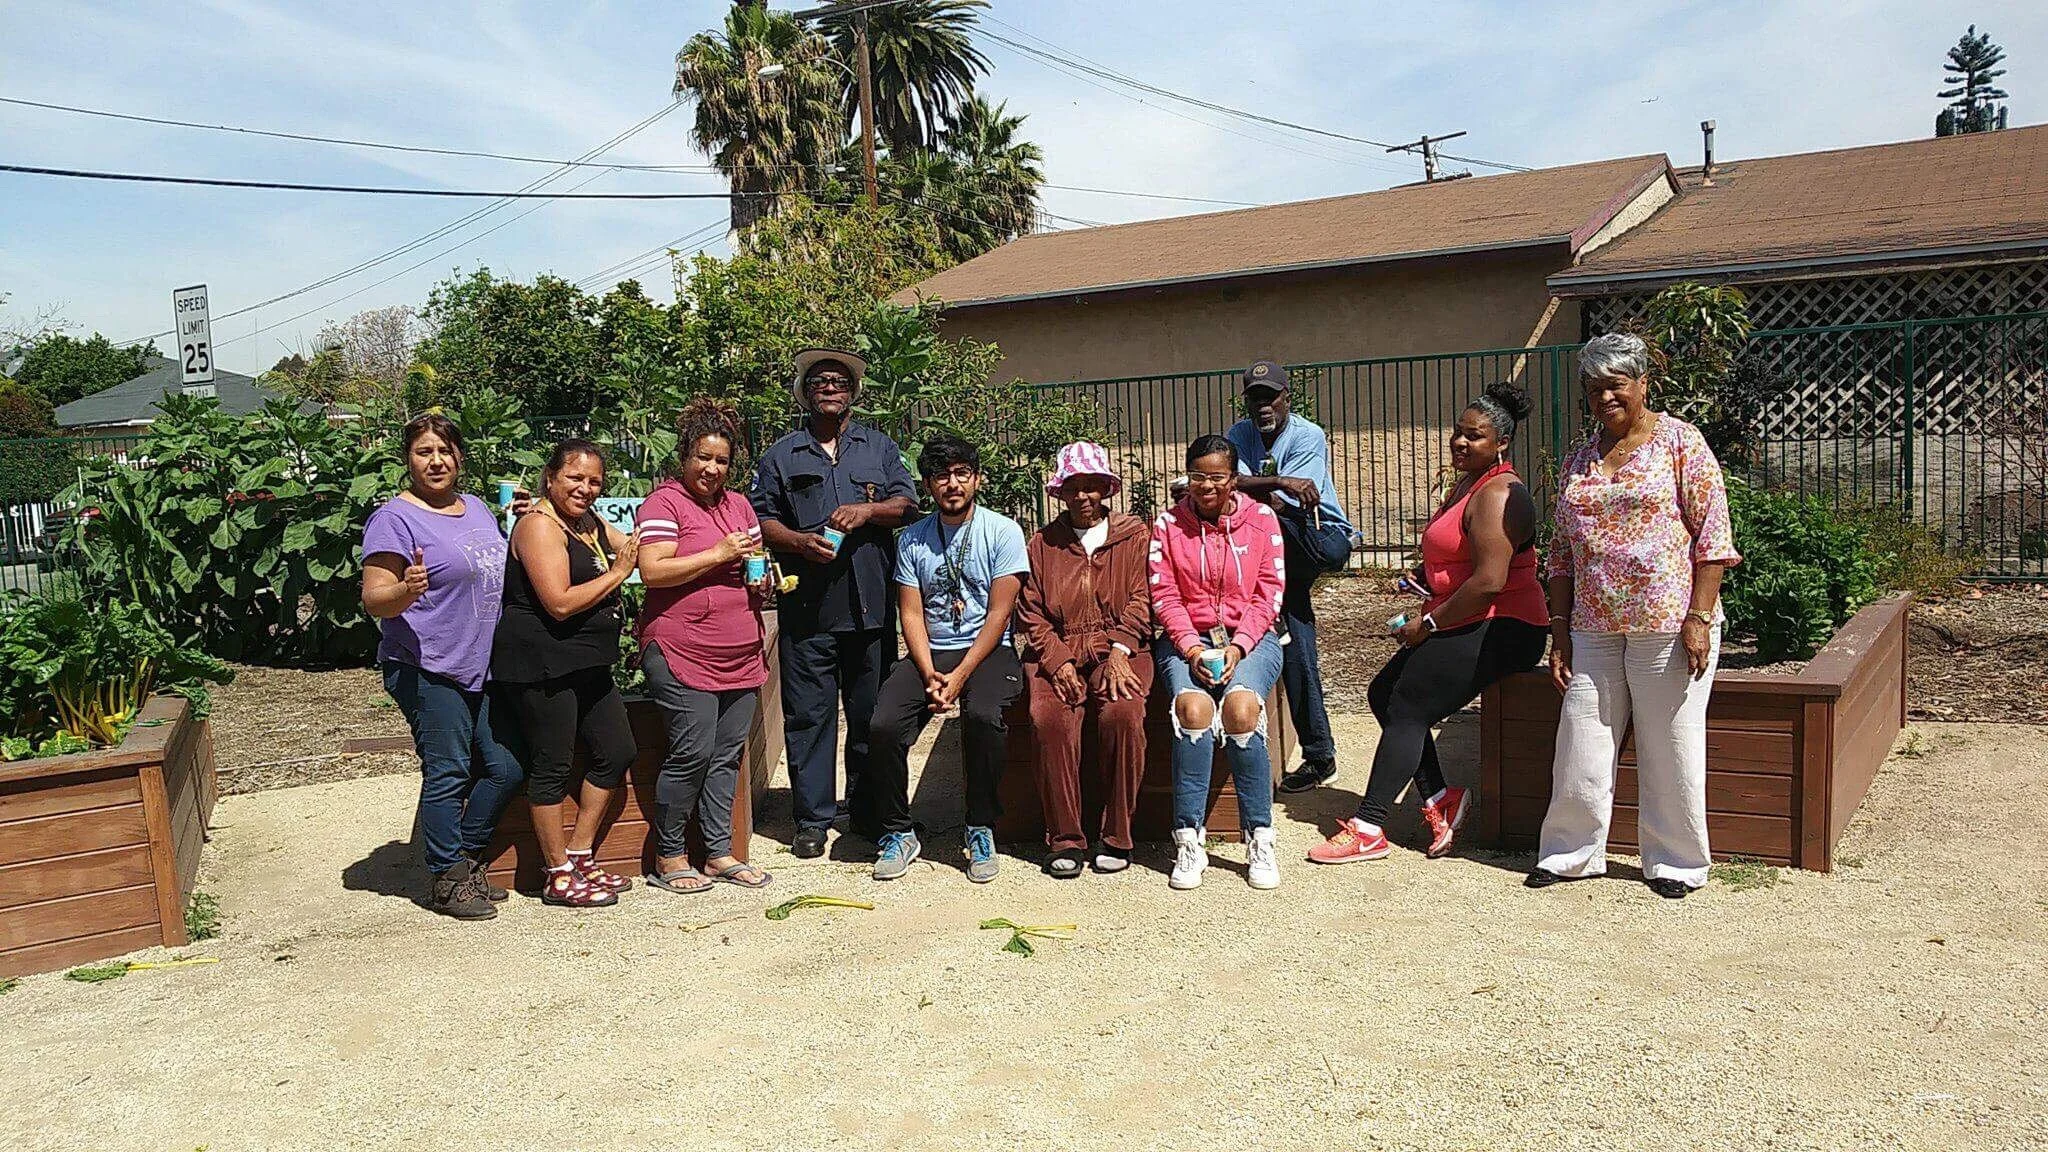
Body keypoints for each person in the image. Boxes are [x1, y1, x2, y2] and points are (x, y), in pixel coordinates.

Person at [1531, 333, 1742, 900]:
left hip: (1669, 623)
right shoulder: (1581, 455)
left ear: (1643, 384)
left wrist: (1699, 616)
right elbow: (1560, 553)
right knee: (1581, 738)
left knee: (1669, 739)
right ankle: (1569, 853)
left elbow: (1714, 537)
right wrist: (1558, 632)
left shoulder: (1681, 443)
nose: (1605, 398)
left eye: (1616, 386)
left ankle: (1676, 862)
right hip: (1592, 626)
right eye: (1594, 389)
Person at [1308, 382, 1549, 865]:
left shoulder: (1500, 494)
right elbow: (1459, 558)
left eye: (1474, 436)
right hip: (1470, 615)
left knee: (1409, 702)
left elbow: (1488, 582)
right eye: (1458, 433)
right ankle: (1441, 797)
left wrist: (1430, 625)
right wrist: (1424, 579)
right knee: (1383, 693)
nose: (1460, 443)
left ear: (1501, 442)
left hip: (1507, 626)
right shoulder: (1468, 483)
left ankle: (1370, 826)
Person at [751, 349, 919, 860]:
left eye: (839, 380)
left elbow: (908, 504)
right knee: (809, 718)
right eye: (819, 381)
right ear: (805, 392)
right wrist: (799, 542)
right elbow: (760, 519)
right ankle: (812, 819)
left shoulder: (881, 447)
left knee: (870, 718)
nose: (829, 387)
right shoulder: (782, 455)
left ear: (853, 393)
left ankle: (868, 814)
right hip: (807, 613)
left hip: (869, 611)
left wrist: (868, 509)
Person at [359, 413, 524, 921]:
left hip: (481, 663)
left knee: (505, 768)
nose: (436, 461)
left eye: (445, 451)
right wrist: (405, 591)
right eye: (424, 451)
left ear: (460, 458)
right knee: (448, 770)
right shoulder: (394, 518)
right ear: (408, 460)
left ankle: (463, 861)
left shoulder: (475, 508)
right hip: (428, 665)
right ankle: (447, 877)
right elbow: (373, 598)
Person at [864, 434, 1029, 883]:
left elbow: (1000, 614)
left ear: (977, 479)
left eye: (961, 474)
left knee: (983, 714)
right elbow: (911, 613)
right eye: (941, 476)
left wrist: (959, 677)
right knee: (883, 725)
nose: (952, 484)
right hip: (931, 649)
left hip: (987, 647)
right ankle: (898, 831)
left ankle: (980, 826)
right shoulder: (913, 539)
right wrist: (928, 671)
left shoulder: (1002, 531)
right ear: (928, 485)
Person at [490, 438, 641, 908]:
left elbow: (640, 547)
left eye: (595, 480)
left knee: (618, 750)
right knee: (551, 765)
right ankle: (557, 874)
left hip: (587, 663)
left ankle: (579, 855)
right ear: (551, 477)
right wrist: (619, 575)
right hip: (544, 664)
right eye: (575, 478)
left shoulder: (588, 523)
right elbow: (557, 602)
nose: (586, 488)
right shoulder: (539, 526)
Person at [635, 398, 775, 894]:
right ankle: (669, 855)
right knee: (691, 751)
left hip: (739, 650)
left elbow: (752, 563)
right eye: (703, 457)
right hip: (680, 648)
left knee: (725, 754)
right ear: (684, 457)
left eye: (721, 460)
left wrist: (762, 582)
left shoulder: (739, 506)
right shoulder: (663, 504)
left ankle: (717, 852)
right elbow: (652, 570)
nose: (712, 469)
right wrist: (717, 553)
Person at [1150, 434, 1288, 892]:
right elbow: (1163, 593)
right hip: (1186, 640)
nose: (1206, 486)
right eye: (1197, 477)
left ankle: (1259, 835)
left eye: (1217, 478)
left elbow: (1269, 591)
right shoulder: (1168, 526)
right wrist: (1190, 647)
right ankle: (1189, 837)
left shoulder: (1262, 520)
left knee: (1241, 710)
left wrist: (1237, 647)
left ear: (1233, 480)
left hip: (1250, 640)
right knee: (1193, 712)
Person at [1016, 442, 1154, 878]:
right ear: (1060, 492)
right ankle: (1066, 838)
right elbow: (1031, 610)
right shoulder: (1042, 544)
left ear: (1106, 489)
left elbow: (1143, 598)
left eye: (1092, 486)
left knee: (1123, 713)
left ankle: (1117, 835)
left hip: (1121, 647)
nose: (1083, 497)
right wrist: (1057, 662)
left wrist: (1119, 649)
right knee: (1049, 717)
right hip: (1056, 646)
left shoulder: (1134, 536)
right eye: (1073, 487)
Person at [1226, 361, 1355, 797]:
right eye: (1255, 397)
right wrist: (1277, 479)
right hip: (1277, 562)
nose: (1264, 405)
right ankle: (1320, 756)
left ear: (1286, 397)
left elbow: (1283, 504)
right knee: (1297, 648)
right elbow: (1230, 484)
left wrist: (1250, 487)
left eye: (1271, 396)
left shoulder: (1308, 435)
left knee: (1268, 520)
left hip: (1314, 537)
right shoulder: (1236, 435)